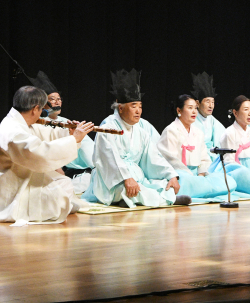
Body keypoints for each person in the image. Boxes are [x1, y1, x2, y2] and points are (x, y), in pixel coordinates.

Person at [0, 86, 94, 226]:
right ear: (35, 109)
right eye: (41, 109)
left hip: (22, 178)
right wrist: (74, 140)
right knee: (60, 200)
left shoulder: (20, 122)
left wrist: (69, 133)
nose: (42, 113)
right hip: (11, 192)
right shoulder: (13, 130)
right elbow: (40, 153)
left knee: (64, 184)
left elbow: (46, 134)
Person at [82, 69, 191, 208]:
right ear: (120, 108)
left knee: (161, 183)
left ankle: (135, 199)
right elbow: (109, 159)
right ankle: (166, 199)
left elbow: (153, 157)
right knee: (127, 189)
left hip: (137, 179)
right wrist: (126, 178)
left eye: (140, 106)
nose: (138, 111)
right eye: (133, 106)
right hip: (112, 180)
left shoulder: (141, 132)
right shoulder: (107, 128)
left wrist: (171, 175)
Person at [157, 94, 238, 202]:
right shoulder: (170, 131)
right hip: (180, 174)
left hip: (197, 175)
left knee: (229, 182)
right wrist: (191, 176)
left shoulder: (198, 133)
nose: (194, 112)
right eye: (190, 108)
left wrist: (200, 174)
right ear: (179, 111)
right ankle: (195, 191)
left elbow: (204, 158)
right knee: (185, 180)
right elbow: (171, 160)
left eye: (195, 108)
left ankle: (198, 190)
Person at [190, 72, 226, 162]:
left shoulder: (213, 120)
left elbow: (222, 138)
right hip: (197, 157)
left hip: (213, 156)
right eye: (207, 101)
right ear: (197, 103)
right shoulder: (191, 120)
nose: (211, 106)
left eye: (213, 102)